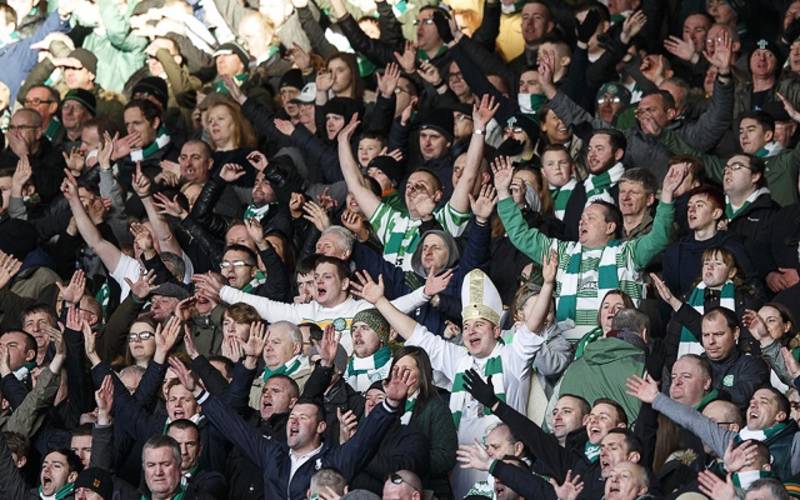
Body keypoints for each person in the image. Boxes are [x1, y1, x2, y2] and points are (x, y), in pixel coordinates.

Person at [496, 157, 687, 342]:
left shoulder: (628, 252)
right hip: (569, 350)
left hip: (615, 346)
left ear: (610, 227)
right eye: (581, 218)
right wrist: (503, 193)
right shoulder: (562, 252)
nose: (582, 222)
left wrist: (667, 194)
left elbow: (659, 237)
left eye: (591, 218)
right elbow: (521, 236)